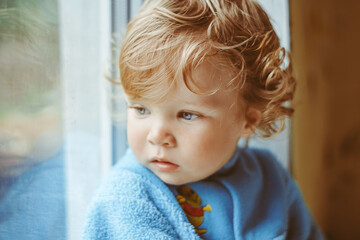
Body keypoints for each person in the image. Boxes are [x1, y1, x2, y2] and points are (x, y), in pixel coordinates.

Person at [83, 0, 324, 239]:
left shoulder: (268, 178)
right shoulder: (126, 198)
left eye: (187, 115)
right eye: (141, 109)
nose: (156, 136)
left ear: (248, 120)